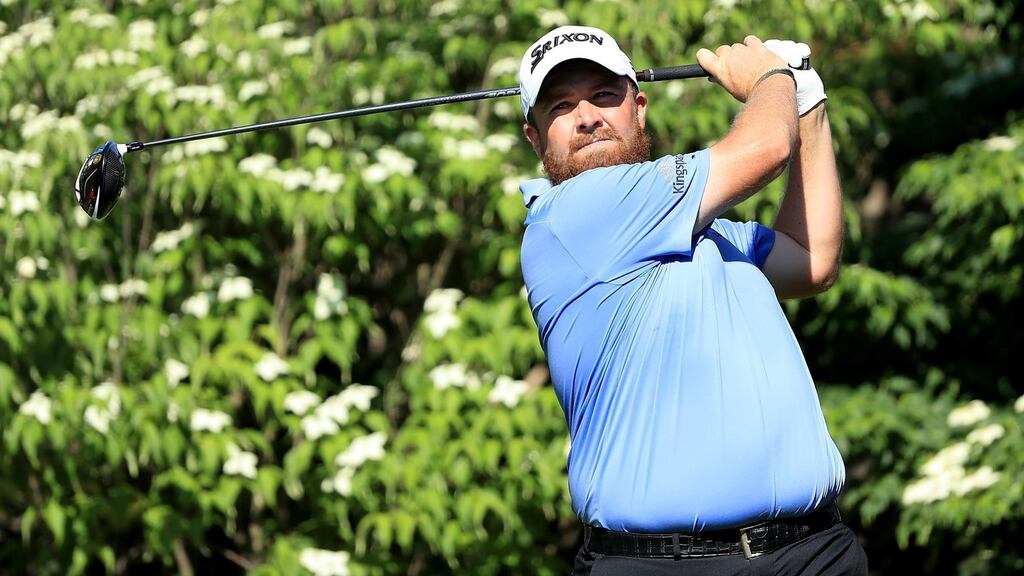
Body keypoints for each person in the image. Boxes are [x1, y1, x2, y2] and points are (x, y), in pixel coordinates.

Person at [516, 25, 867, 575]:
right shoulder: (572, 216)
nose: (587, 116)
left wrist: (808, 104)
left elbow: (813, 259)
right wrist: (770, 78)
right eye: (561, 105)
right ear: (535, 139)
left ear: (640, 107)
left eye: (605, 95)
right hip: (666, 564)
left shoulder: (711, 234)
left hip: (815, 552)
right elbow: (766, 147)